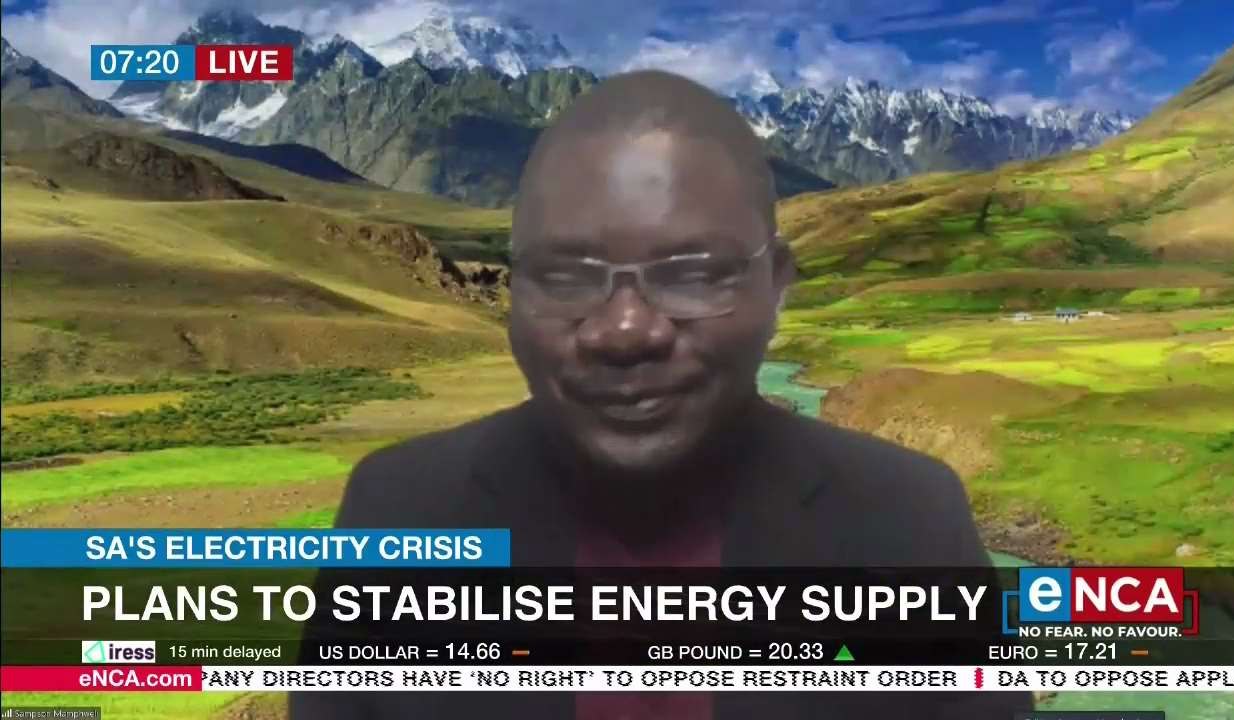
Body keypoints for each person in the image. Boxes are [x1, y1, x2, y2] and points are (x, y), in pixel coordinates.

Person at [290, 70, 1031, 719]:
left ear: (777, 285)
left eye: (693, 274)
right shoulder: (396, 512)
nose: (625, 330)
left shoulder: (911, 523)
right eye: (565, 275)